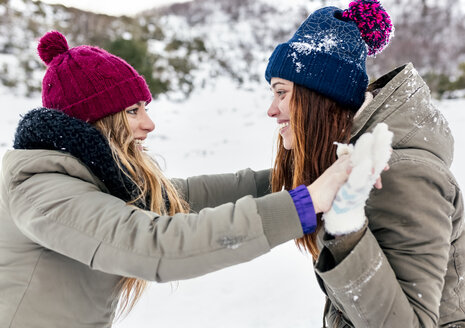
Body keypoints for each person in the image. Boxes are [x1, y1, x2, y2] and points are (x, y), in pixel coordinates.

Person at [0, 30, 388, 327]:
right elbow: (154, 245)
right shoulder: (42, 189)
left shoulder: (93, 176)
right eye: (134, 111)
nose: (149, 124)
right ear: (97, 119)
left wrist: (297, 176)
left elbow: (187, 196)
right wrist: (306, 203)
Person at [264, 0, 464, 327]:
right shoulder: (349, 158)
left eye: (281, 93)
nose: (271, 110)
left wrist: (346, 230)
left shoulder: (404, 172)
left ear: (319, 96)